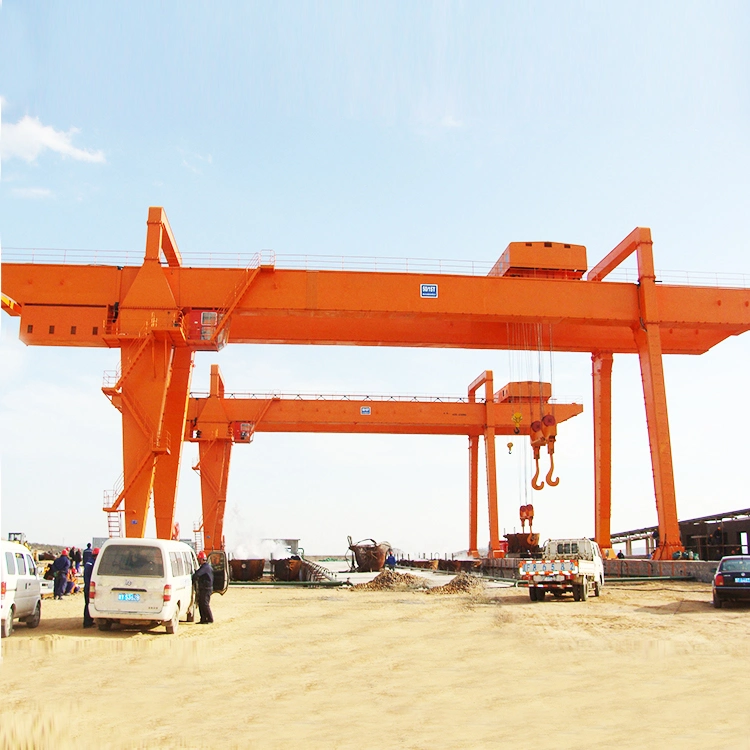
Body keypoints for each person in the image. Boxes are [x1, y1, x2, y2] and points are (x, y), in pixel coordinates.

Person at [192, 551, 214, 624]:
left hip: (206, 589)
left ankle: (210, 619)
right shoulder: (206, 567)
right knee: (201, 603)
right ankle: (203, 619)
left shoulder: (205, 567)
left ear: (201, 559)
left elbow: (197, 574)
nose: (198, 561)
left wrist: (193, 578)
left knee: (205, 603)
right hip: (205, 588)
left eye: (199, 559)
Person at [83, 547, 99, 628]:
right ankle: (87, 622)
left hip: (87, 586)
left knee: (87, 604)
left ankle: (88, 621)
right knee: (88, 604)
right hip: (89, 587)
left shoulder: (89, 562)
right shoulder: (92, 564)